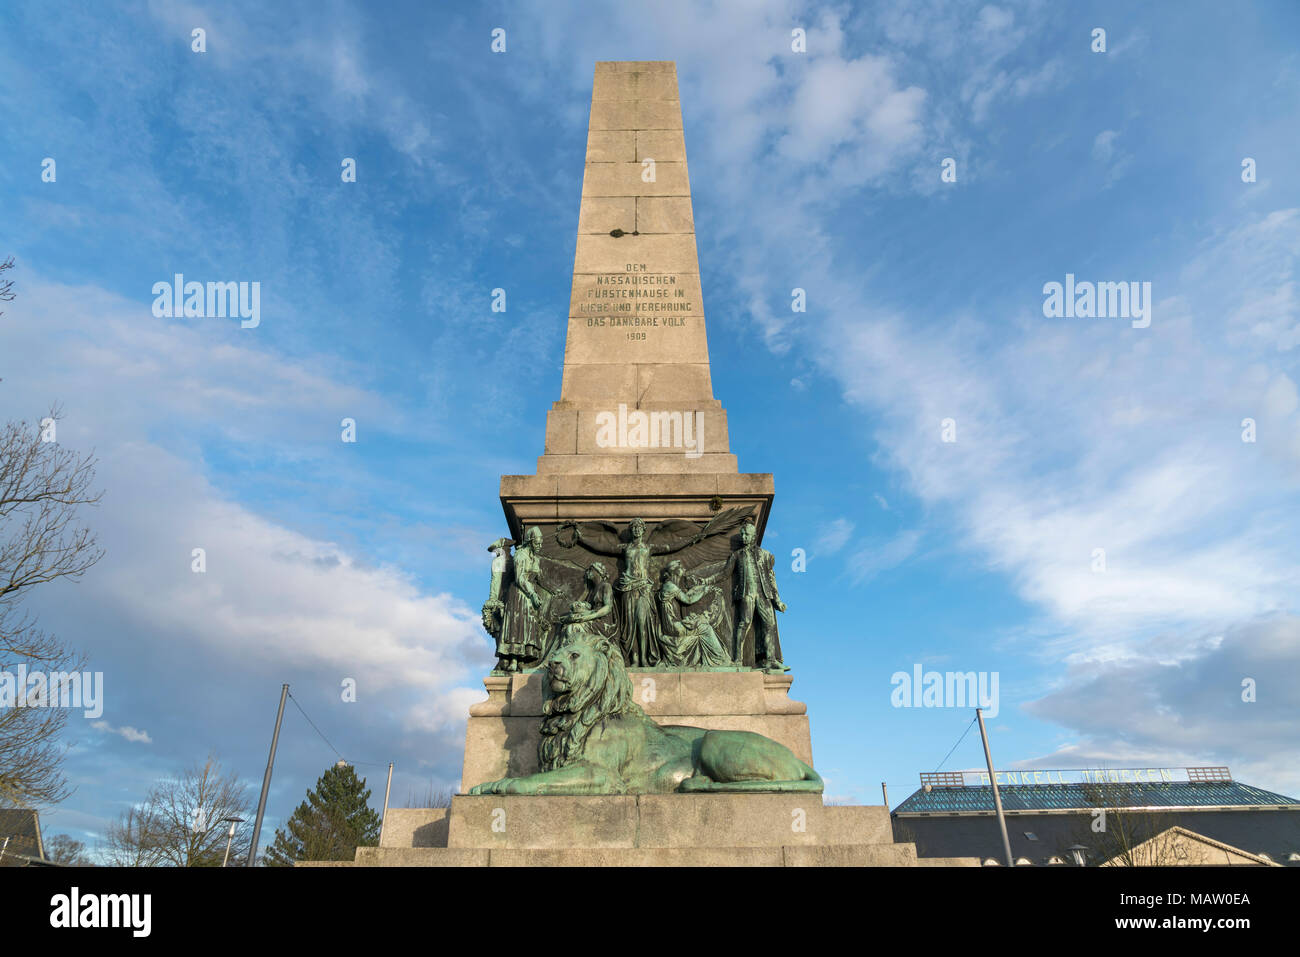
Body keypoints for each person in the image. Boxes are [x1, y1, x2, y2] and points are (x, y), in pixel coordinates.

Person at [703, 522, 788, 670]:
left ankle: (770, 659)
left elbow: (771, 578)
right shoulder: (737, 555)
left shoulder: (765, 555)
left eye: (746, 534)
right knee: (744, 623)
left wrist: (778, 600)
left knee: (769, 624)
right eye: (742, 534)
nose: (743, 537)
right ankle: (737, 659)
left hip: (763, 594)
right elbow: (725, 574)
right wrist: (706, 580)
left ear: (754, 536)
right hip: (746, 593)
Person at [657, 561, 730, 668]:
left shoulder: (671, 586)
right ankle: (719, 659)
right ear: (675, 571)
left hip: (674, 624)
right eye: (681, 568)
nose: (684, 570)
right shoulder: (669, 586)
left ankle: (718, 658)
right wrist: (705, 590)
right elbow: (688, 599)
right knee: (705, 628)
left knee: (700, 622)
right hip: (673, 627)